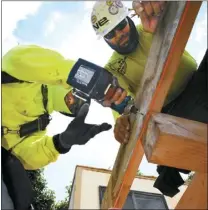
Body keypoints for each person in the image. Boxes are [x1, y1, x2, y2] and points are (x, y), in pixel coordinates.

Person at [91, 0, 207, 196]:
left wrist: (164, 9)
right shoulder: (112, 70)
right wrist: (122, 123)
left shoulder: (151, 22)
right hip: (174, 115)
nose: (119, 35)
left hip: (200, 84)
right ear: (105, 39)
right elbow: (123, 109)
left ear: (129, 18)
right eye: (110, 34)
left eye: (120, 26)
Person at [2, 45, 112, 209]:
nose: (76, 102)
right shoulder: (25, 69)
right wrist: (97, 80)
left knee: (19, 197)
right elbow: (50, 66)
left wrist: (61, 142)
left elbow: (23, 156)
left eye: (79, 107)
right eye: (78, 95)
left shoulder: (40, 123)